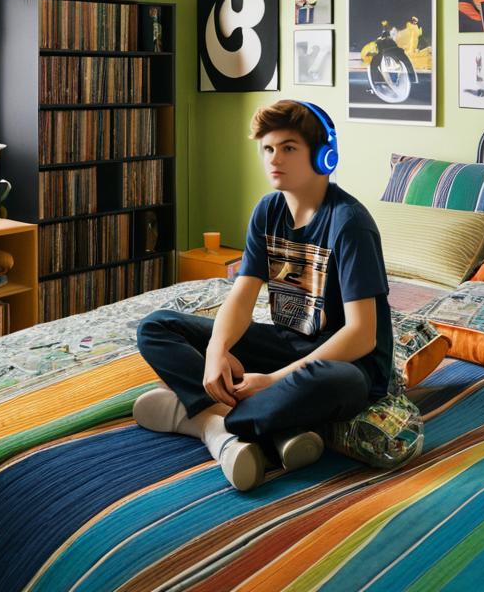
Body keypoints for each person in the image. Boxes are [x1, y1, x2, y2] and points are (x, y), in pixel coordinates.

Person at [134, 99, 393, 491]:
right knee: (156, 327)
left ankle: (198, 418)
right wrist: (216, 354)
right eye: (268, 149)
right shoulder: (268, 210)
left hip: (344, 365)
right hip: (286, 346)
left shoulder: (350, 224)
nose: (275, 159)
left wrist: (272, 381)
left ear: (324, 156)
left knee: (334, 383)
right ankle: (247, 427)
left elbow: (361, 334)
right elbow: (241, 295)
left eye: (289, 148)